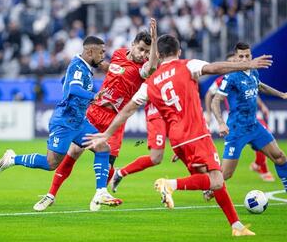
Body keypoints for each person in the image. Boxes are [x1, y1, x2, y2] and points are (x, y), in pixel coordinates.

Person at [84, 34, 273, 236]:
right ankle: (169, 184)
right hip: (196, 133)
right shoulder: (187, 65)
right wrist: (247, 65)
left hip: (177, 139)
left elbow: (127, 110)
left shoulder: (150, 82)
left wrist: (107, 133)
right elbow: (215, 68)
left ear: (159, 54)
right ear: (178, 51)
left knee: (208, 179)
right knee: (216, 181)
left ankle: (236, 226)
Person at [32, 19, 159, 211]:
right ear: (132, 45)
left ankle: (98, 195)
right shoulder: (117, 54)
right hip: (94, 111)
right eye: (141, 49)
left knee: (107, 160)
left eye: (148, 52)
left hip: (116, 120)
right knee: (73, 153)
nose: (143, 55)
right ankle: (51, 195)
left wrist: (155, 40)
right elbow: (108, 67)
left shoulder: (142, 70)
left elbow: (150, 68)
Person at [0, 36, 123, 211]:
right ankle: (12, 159)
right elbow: (73, 88)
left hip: (78, 122)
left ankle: (101, 191)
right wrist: (93, 96)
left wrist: (85, 99)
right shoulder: (78, 67)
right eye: (101, 52)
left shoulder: (83, 68)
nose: (103, 56)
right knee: (51, 163)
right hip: (64, 122)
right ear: (90, 51)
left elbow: (65, 83)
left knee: (103, 147)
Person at [211, 42, 287, 192]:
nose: (245, 59)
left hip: (254, 126)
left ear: (251, 55)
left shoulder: (253, 71)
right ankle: (207, 187)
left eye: (247, 55)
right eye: (241, 56)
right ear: (236, 58)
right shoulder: (231, 77)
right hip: (236, 129)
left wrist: (282, 94)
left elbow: (260, 86)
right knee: (226, 174)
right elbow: (215, 100)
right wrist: (220, 123)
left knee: (279, 157)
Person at [205, 52, 275, 182]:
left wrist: (263, 106)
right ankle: (214, 180)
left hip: (251, 117)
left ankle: (260, 166)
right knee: (228, 168)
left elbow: (254, 91)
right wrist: (209, 114)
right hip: (236, 120)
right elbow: (209, 94)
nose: (236, 64)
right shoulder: (223, 79)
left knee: (265, 136)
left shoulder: (248, 76)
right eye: (232, 63)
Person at [110, 101, 167, 193]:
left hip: (175, 113)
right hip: (158, 114)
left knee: (185, 148)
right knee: (156, 158)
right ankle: (120, 173)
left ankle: (194, 184)